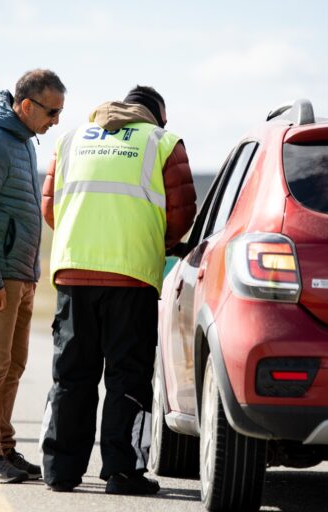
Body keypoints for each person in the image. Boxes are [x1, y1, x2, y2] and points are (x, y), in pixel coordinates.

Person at [39, 85, 196, 495]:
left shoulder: (71, 139)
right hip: (131, 277)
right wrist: (150, 243)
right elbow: (181, 215)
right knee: (128, 375)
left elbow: (51, 206)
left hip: (74, 273)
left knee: (71, 374)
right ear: (158, 116)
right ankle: (123, 472)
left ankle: (60, 469)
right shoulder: (163, 142)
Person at [0, 69, 66, 484]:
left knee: (13, 364)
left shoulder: (21, 144)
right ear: (26, 105)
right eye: (52, 111)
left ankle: (2, 445)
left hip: (18, 276)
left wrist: (30, 273)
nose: (55, 120)